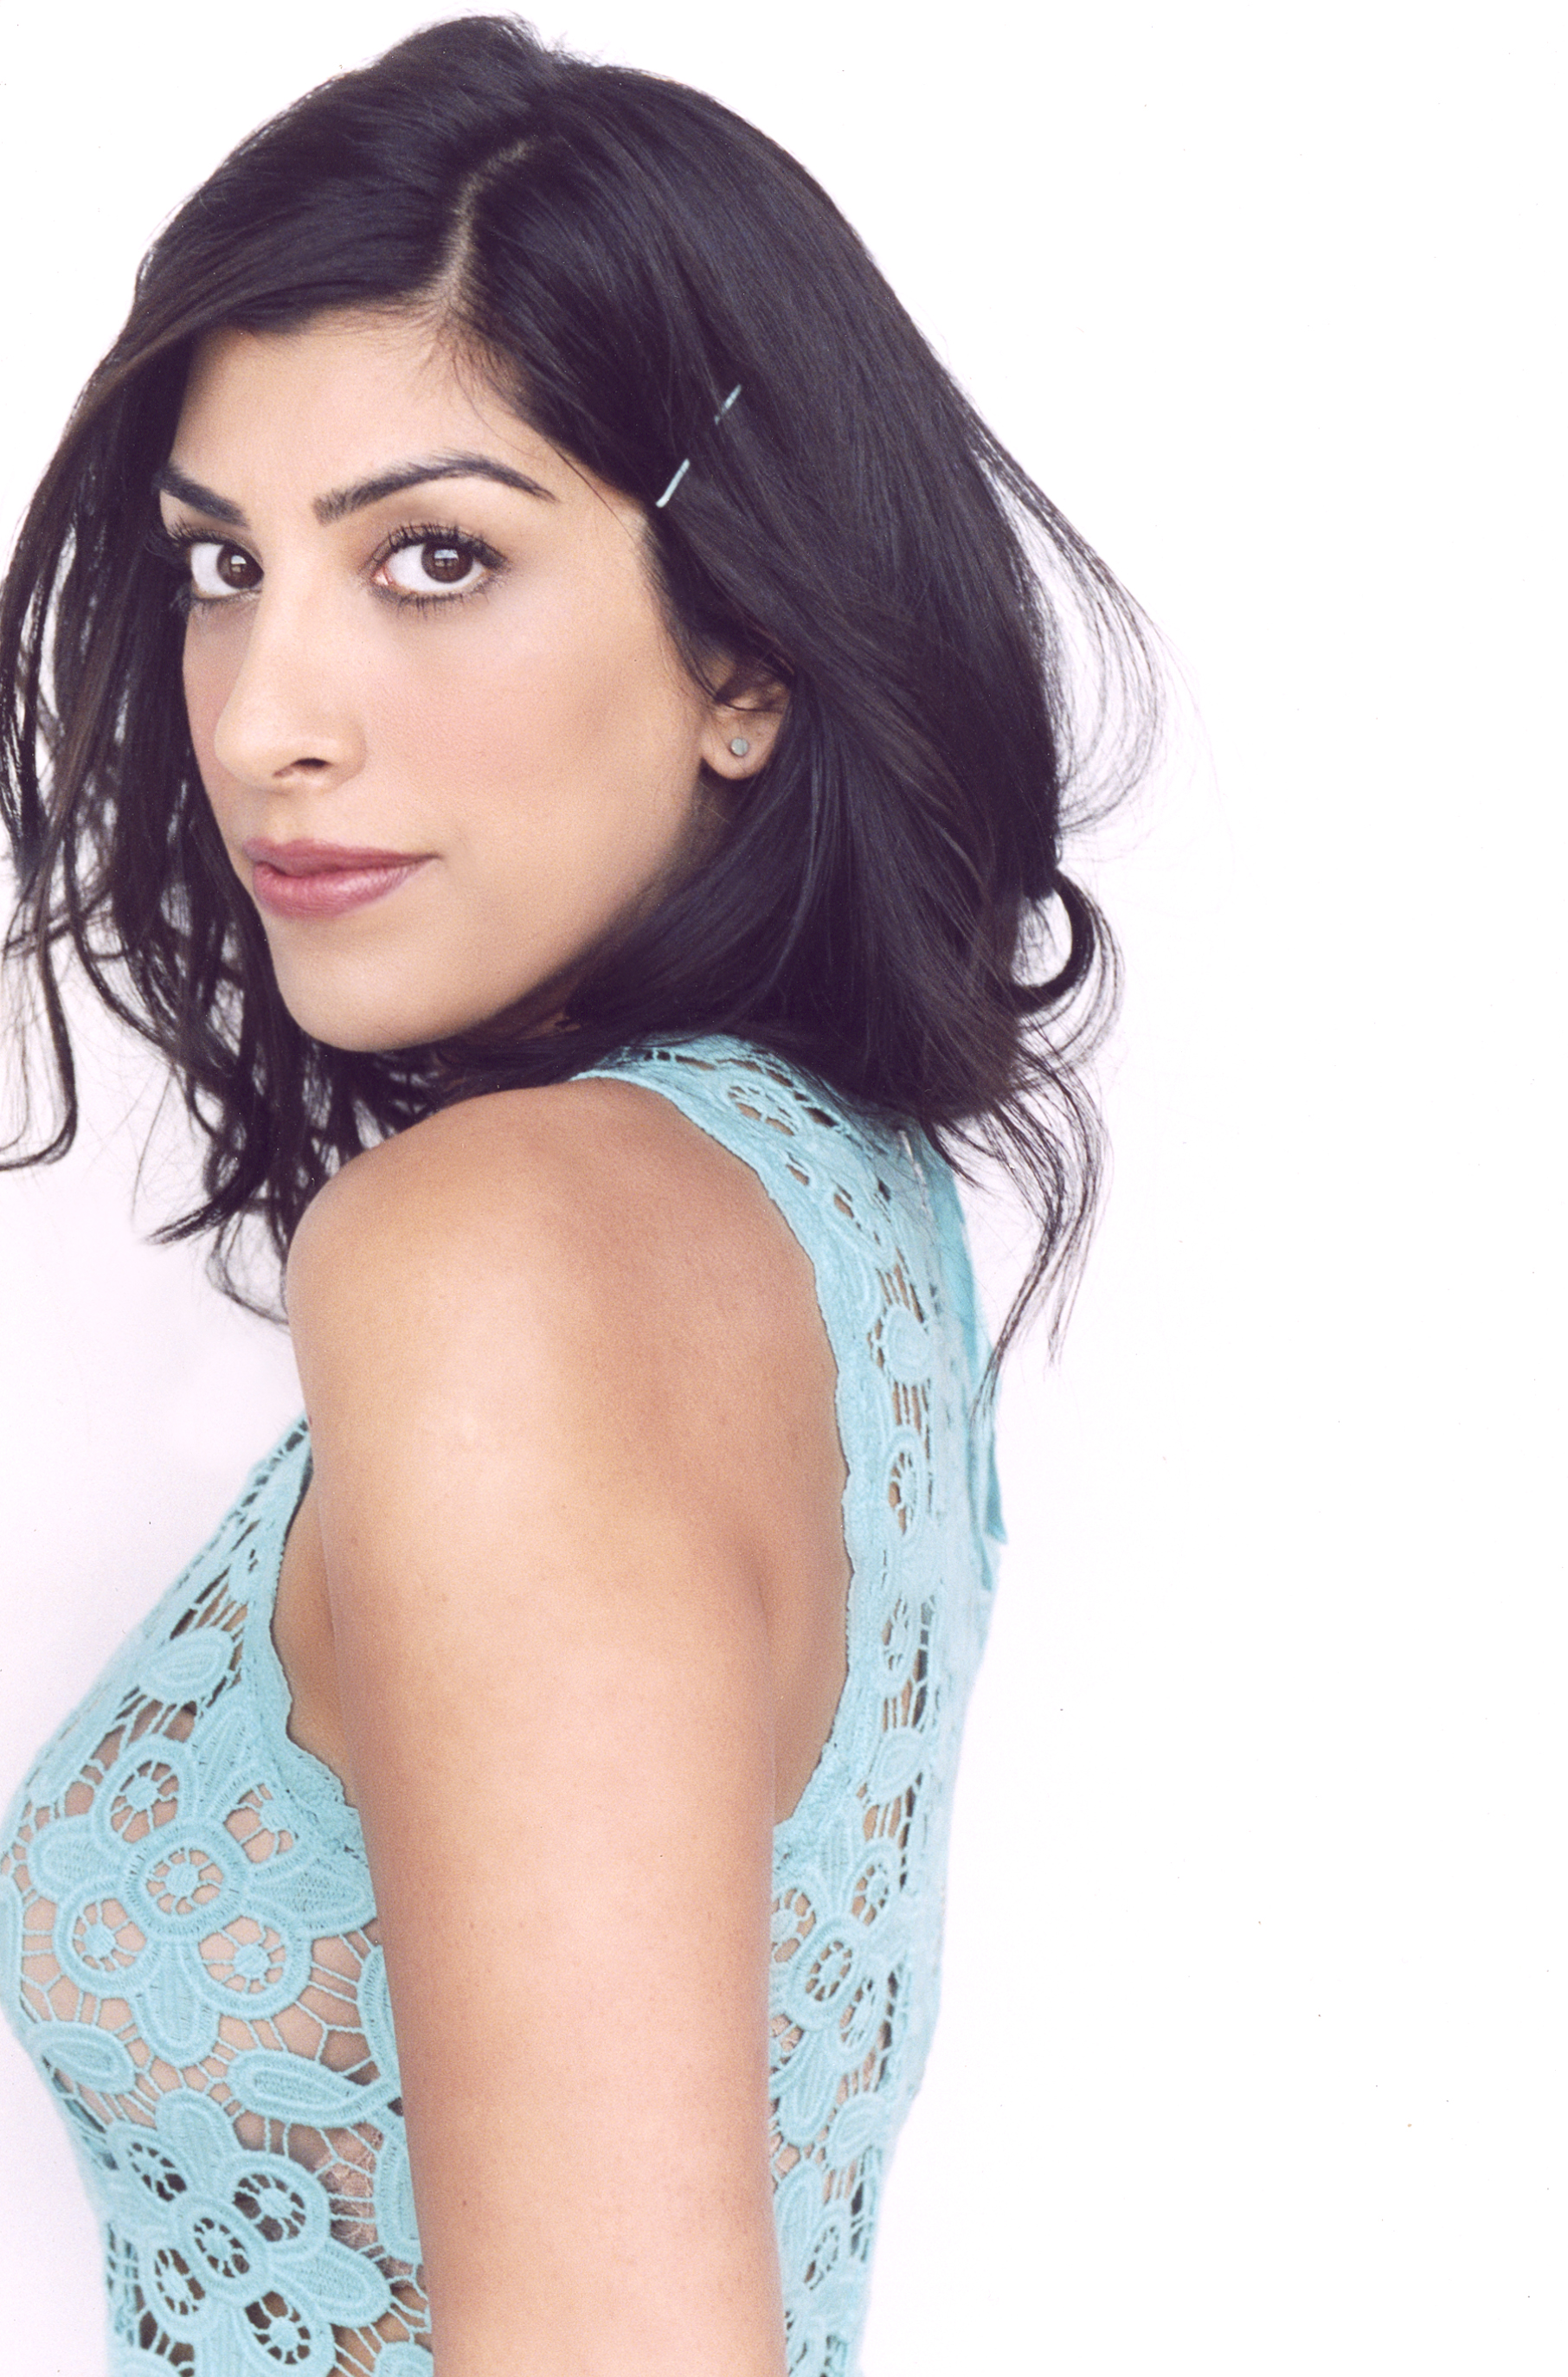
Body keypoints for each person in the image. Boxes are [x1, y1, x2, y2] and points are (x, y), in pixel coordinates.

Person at [0, 16, 1155, 2374]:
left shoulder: (507, 1253)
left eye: (433, 558)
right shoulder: (818, 1213)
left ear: (745, 649)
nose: (263, 717)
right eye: (221, 565)